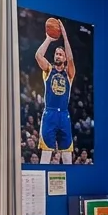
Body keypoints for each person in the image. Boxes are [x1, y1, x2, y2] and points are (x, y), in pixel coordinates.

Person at [36, 22, 76, 165]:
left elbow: (71, 59)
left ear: (64, 58)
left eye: (61, 54)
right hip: (50, 114)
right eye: (57, 54)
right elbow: (38, 55)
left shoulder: (69, 74)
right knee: (46, 155)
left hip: (64, 115)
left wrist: (65, 37)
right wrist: (48, 38)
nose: (58, 56)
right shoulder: (48, 70)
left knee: (67, 157)